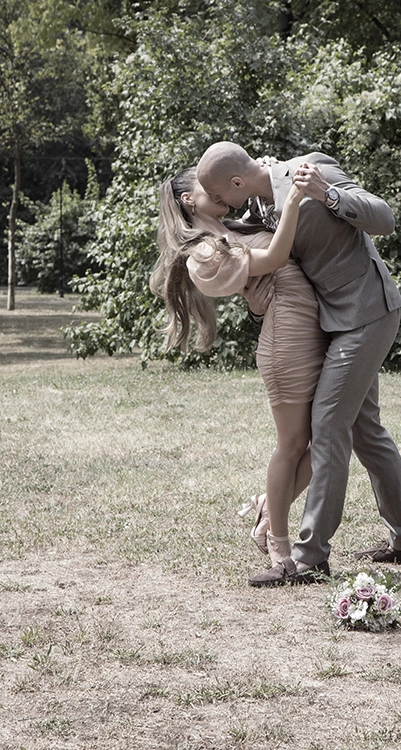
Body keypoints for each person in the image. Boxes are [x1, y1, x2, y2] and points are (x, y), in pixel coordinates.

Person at [197, 142, 401, 586]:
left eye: (221, 195)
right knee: (366, 430)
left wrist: (329, 194)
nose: (221, 202)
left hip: (367, 311)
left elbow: (384, 218)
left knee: (327, 425)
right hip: (333, 323)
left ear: (236, 182)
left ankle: (309, 558)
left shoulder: (310, 170)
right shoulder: (259, 203)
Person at [150, 167, 330, 577]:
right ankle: (279, 544)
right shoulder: (203, 252)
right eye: (206, 186)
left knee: (331, 436)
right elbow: (276, 258)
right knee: (295, 443)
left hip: (314, 328)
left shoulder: (236, 225)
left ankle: (269, 504)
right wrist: (295, 199)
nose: (217, 190)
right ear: (188, 199)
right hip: (287, 342)